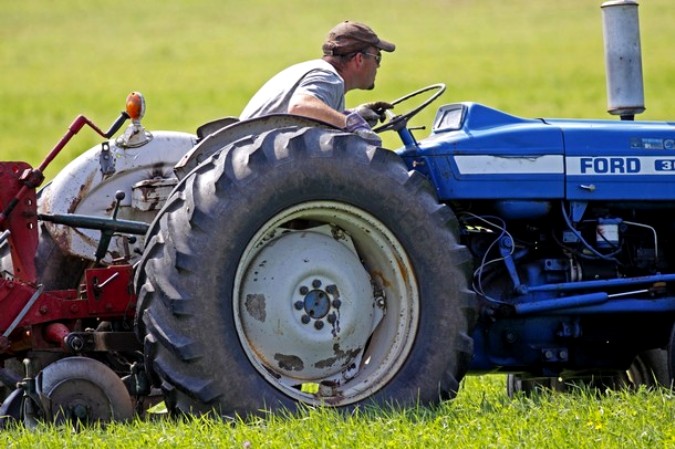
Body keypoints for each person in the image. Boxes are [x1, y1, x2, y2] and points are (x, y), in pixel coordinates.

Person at [239, 21, 396, 145]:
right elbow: (301, 106)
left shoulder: (313, 69)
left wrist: (350, 116)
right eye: (377, 58)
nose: (379, 65)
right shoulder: (329, 77)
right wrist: (352, 125)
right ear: (359, 59)